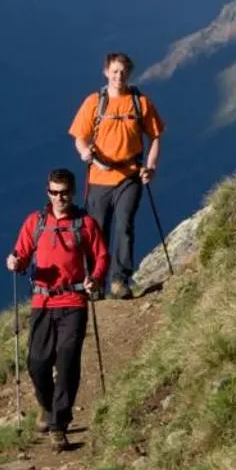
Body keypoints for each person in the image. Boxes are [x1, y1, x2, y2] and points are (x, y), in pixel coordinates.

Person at [6, 167, 107, 447]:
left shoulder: (85, 224)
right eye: (54, 192)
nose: (59, 198)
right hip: (42, 301)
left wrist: (95, 279)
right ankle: (48, 406)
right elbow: (22, 254)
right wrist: (15, 261)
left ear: (72, 193)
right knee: (37, 364)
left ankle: (58, 424)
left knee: (66, 362)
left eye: (63, 193)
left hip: (73, 301)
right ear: (47, 192)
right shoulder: (35, 222)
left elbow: (101, 256)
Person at [69, 50, 165, 299]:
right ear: (106, 72)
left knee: (125, 225)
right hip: (99, 176)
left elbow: (155, 135)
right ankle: (96, 282)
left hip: (129, 175)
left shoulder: (140, 102)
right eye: (114, 72)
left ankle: (119, 281)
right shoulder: (94, 102)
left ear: (129, 73)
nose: (118, 76)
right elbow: (79, 137)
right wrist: (84, 153)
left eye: (123, 72)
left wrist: (151, 166)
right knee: (97, 231)